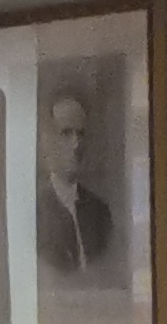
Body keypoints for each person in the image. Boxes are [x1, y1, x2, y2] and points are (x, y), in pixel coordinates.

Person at [35, 88, 116, 279]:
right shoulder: (35, 212)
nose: (76, 144)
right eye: (66, 133)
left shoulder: (100, 212)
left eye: (80, 134)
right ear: (47, 141)